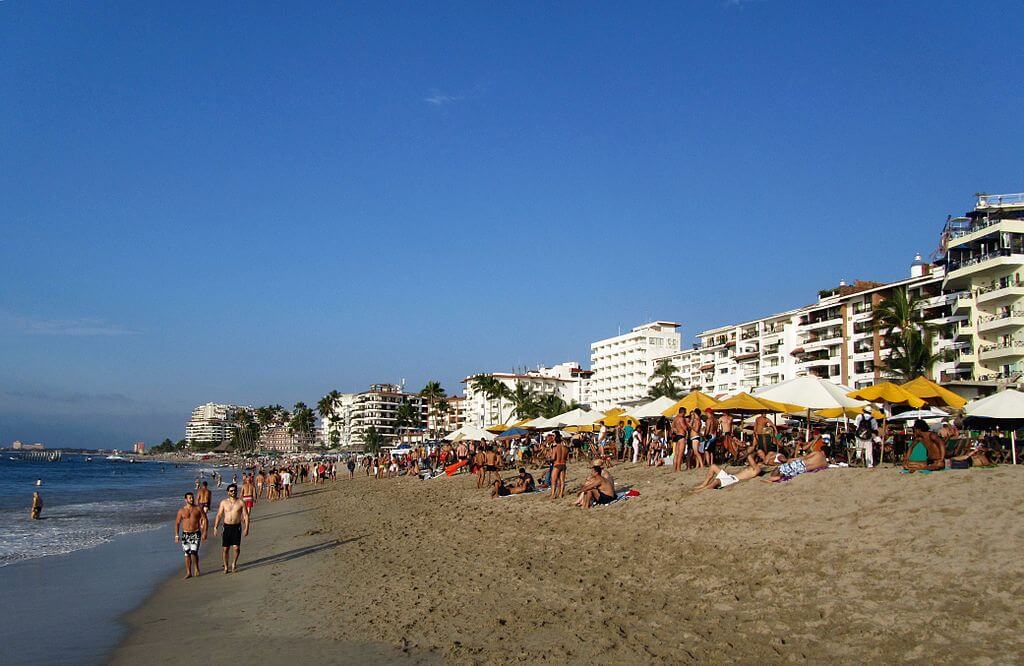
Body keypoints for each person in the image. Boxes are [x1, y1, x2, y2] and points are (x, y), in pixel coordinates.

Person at [213, 484, 250, 574]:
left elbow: (245, 515)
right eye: (231, 491)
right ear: (228, 492)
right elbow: (219, 515)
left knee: (236, 548)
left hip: (236, 527)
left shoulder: (241, 502)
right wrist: (215, 527)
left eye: (234, 491)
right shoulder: (224, 502)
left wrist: (246, 528)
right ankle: (226, 566)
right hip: (227, 527)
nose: (233, 492)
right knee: (226, 549)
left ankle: (234, 564)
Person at [174, 492, 208, 579]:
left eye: (192, 497)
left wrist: (205, 532)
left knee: (194, 552)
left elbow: (205, 519)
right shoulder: (181, 511)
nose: (192, 499)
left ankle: (196, 567)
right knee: (187, 553)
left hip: (196, 533)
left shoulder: (198, 508)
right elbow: (177, 523)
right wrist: (177, 535)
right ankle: (189, 572)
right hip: (185, 534)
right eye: (190, 498)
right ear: (186, 499)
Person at [694, 460, 764, 491]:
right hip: (730, 476)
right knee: (713, 466)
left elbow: (750, 458)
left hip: (733, 480)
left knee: (717, 480)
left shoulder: (757, 470)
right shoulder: (753, 467)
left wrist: (749, 451)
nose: (759, 464)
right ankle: (703, 485)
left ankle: (703, 489)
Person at [550, 434, 569, 499]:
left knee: (553, 481)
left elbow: (553, 458)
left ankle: (553, 495)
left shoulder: (555, 448)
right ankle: (561, 494)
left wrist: (549, 459)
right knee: (562, 481)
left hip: (557, 465)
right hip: (563, 465)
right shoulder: (565, 448)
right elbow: (566, 458)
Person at [671, 408, 688, 472]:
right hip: (681, 435)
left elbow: (672, 427)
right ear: (683, 412)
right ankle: (678, 469)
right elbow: (684, 427)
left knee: (676, 454)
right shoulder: (681, 418)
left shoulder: (675, 418)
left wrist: (676, 429)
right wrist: (687, 425)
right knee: (680, 454)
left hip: (677, 435)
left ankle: (674, 468)